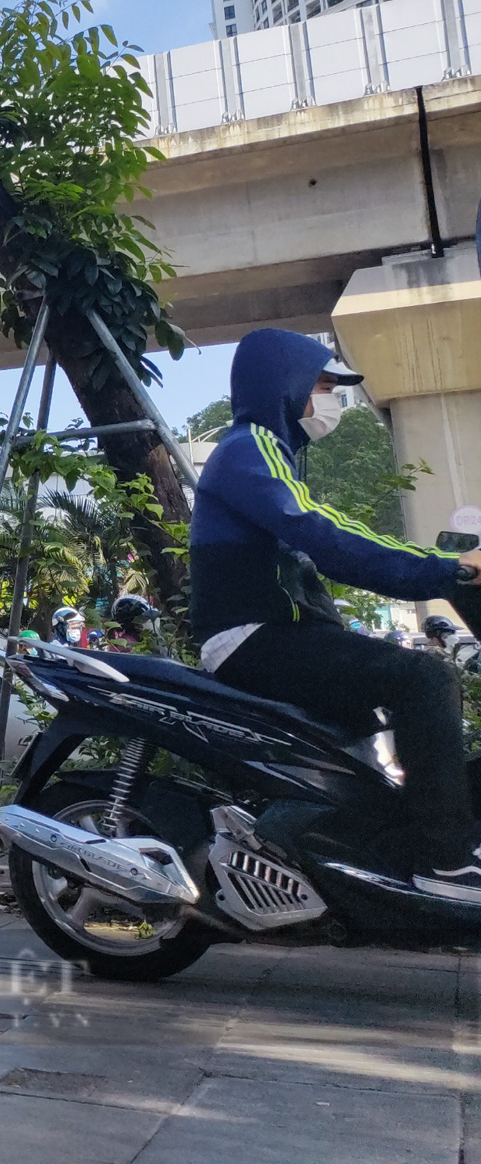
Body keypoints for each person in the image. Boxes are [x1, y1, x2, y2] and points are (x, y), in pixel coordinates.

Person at [190, 327, 481, 902]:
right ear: (286, 384)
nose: (331, 401)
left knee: (406, 710)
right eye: (323, 385)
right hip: (251, 638)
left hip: (279, 635)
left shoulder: (274, 456)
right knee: (423, 677)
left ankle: (390, 851)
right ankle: (445, 862)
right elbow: (330, 538)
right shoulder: (250, 448)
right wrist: (453, 568)